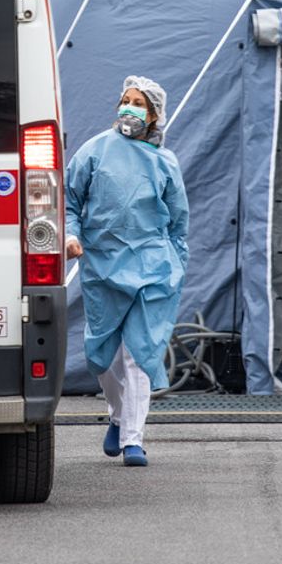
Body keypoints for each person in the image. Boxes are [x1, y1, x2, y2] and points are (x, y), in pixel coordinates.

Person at [64, 75, 189, 467]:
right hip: (102, 264)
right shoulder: (94, 151)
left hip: (152, 266)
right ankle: (118, 416)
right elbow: (69, 200)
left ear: (154, 115)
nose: (129, 108)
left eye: (138, 103)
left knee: (139, 354)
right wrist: (70, 235)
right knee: (103, 357)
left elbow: (179, 223)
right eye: (125, 100)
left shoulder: (164, 162)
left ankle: (134, 439)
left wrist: (176, 265)